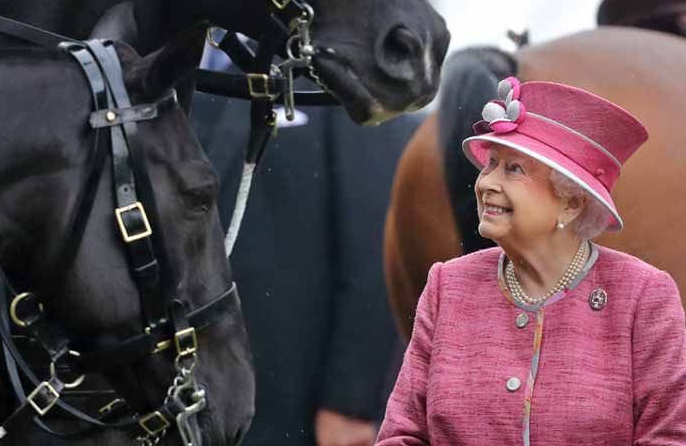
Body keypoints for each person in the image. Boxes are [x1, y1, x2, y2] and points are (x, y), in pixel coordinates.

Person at [377, 76, 686, 445]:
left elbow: (669, 437)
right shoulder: (448, 285)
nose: (486, 182)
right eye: (491, 163)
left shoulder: (643, 295)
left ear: (571, 202)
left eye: (514, 169)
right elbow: (401, 434)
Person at [192, 43, 418, 446]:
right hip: (190, 400)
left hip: (300, 403)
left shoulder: (341, 66)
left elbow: (376, 241)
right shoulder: (157, 61)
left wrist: (351, 403)